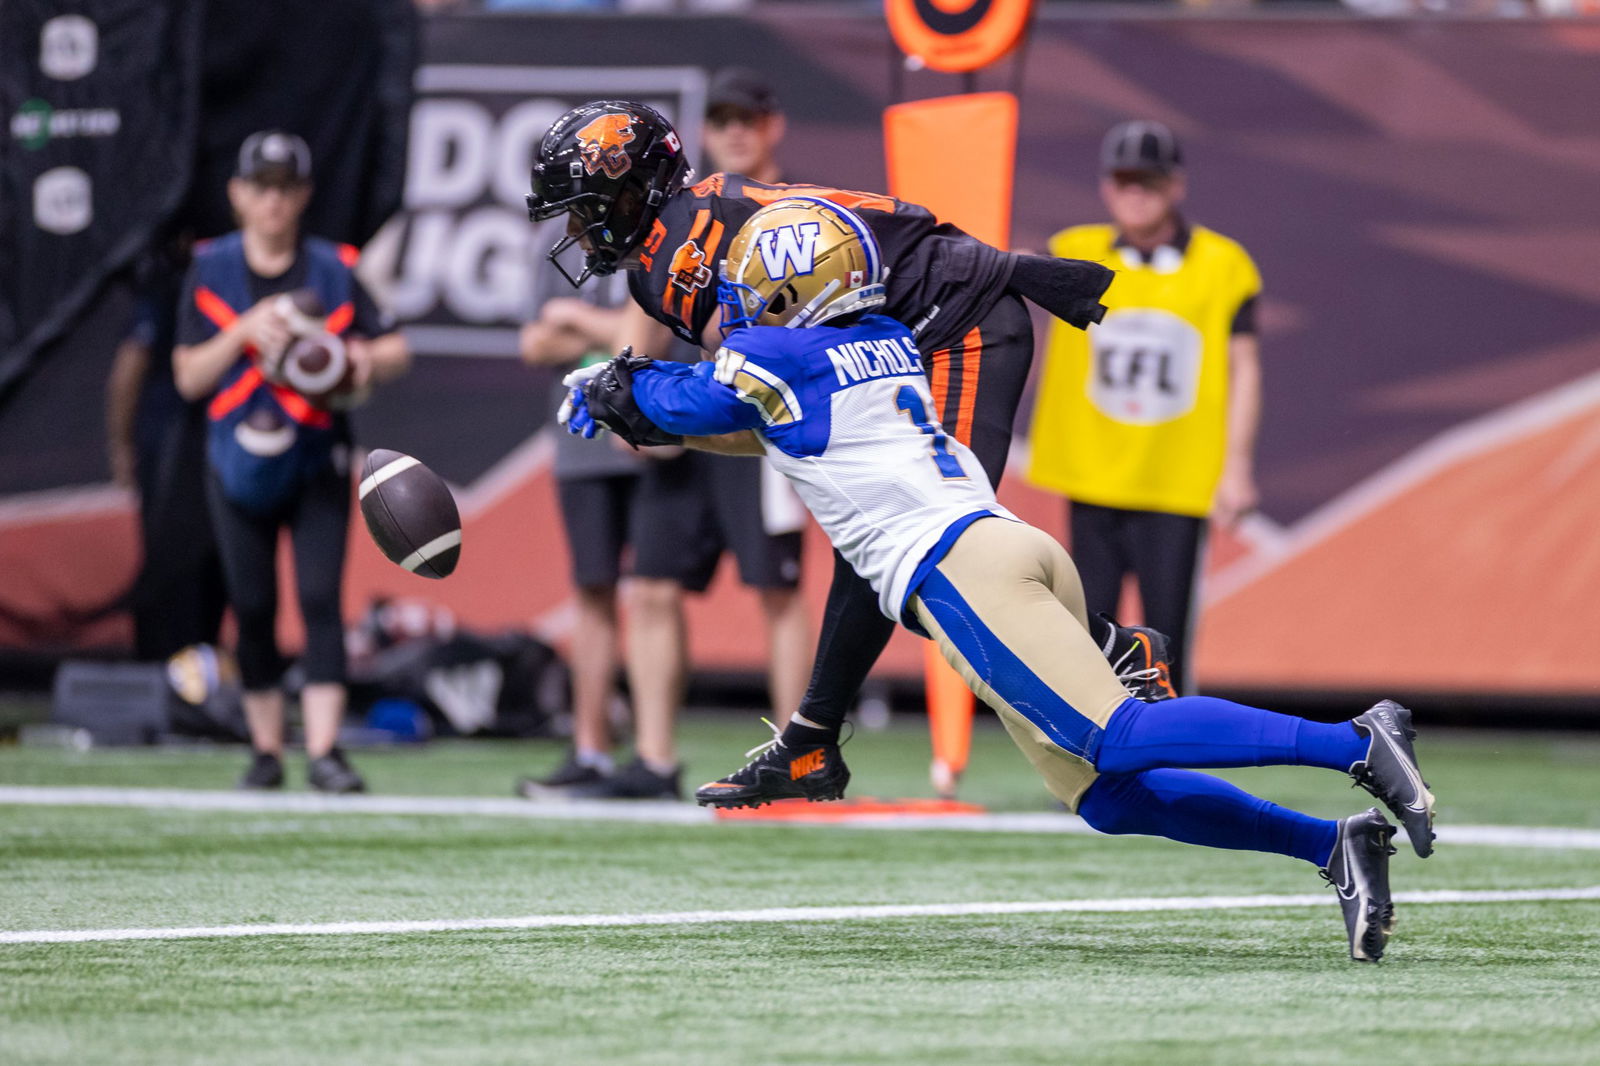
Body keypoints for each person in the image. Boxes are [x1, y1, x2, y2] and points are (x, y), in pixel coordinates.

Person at [562, 197, 1437, 963]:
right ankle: (1331, 846)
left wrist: (613, 384)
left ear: (798, 288)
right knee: (1108, 796)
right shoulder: (878, 339)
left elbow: (692, 402)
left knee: (1120, 737)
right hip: (1008, 552)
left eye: (757, 281)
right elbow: (740, 424)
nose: (742, 298)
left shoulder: (783, 361)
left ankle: (1356, 742)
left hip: (959, 568)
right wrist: (628, 398)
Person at [527, 98, 1167, 810]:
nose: (576, 232)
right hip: (908, 335)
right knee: (892, 550)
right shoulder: (669, 245)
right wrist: (654, 412)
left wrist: (649, 407)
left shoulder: (684, 251)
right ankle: (817, 737)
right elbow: (765, 408)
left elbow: (746, 400)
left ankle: (1099, 653)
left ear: (630, 191)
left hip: (956, 321)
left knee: (921, 548)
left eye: (583, 210)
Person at [173, 131, 410, 792]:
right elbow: (188, 376)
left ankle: (325, 750)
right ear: (238, 194)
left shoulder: (333, 267)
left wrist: (358, 358)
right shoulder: (211, 267)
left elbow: (395, 348)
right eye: (261, 187)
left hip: (316, 452)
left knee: (318, 598)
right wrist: (243, 331)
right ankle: (267, 749)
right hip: (235, 454)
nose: (272, 201)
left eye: (284, 188)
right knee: (251, 603)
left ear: (303, 195)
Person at [1028, 121, 1263, 694]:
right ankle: (1093, 748)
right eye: (1124, 179)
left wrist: (1237, 467)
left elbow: (1245, 366)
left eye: (1149, 181)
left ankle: (1167, 747)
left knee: (1168, 647)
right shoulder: (1073, 251)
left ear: (1175, 185)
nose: (1135, 193)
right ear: (1106, 186)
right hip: (1092, 474)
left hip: (1175, 479)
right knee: (1086, 640)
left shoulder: (1223, 265)